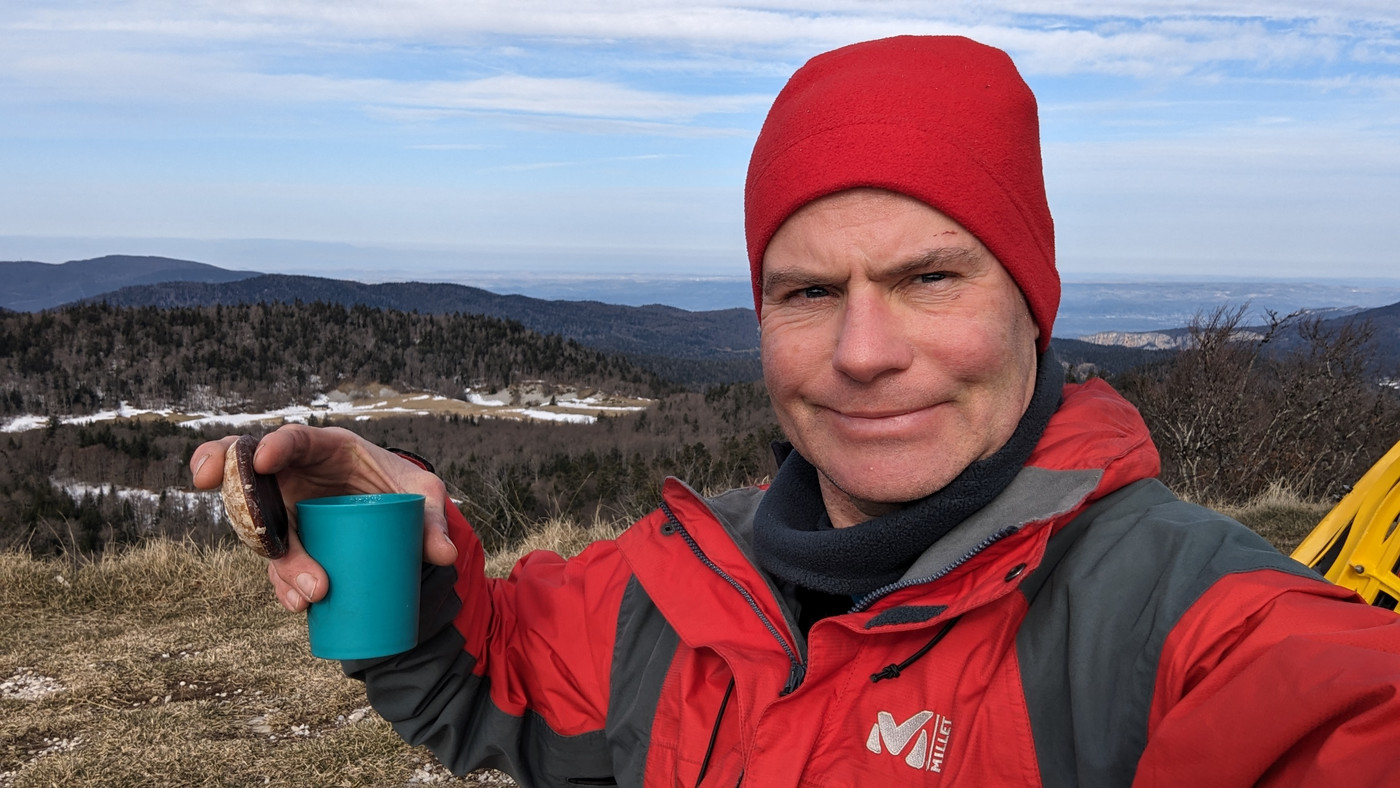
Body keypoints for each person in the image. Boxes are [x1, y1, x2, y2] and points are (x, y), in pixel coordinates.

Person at [190, 35, 1400, 786]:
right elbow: (492, 675)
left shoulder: (1187, 625)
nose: (864, 352)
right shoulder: (679, 578)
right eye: (808, 290)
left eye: (930, 277)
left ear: (1032, 305)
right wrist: (401, 560)